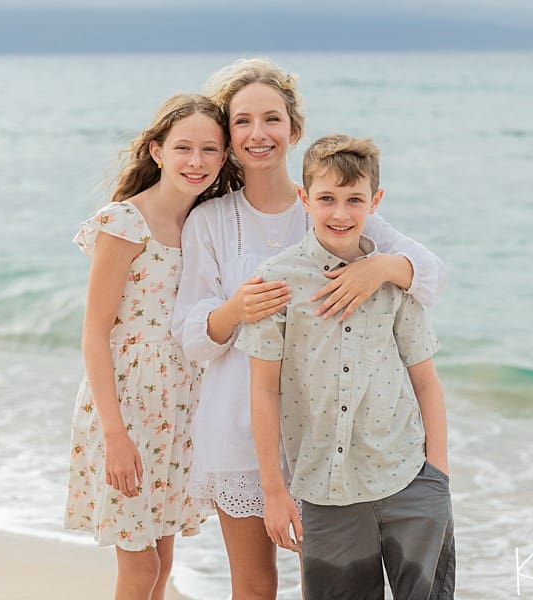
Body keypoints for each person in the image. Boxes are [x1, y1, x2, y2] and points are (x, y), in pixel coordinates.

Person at [172, 58, 448, 598]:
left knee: (326, 583)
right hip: (240, 427)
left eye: (271, 118)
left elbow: (430, 276)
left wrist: (381, 266)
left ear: (293, 130)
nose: (258, 133)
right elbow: (190, 335)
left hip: (331, 440)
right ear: (228, 135)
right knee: (254, 585)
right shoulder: (208, 221)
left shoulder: (326, 205)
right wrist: (237, 307)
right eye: (242, 121)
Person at [237, 134, 455, 599]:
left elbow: (426, 382)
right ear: (304, 199)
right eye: (327, 199)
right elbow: (262, 392)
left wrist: (438, 474)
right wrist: (274, 493)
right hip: (325, 492)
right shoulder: (278, 281)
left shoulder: (395, 279)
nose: (340, 213)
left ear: (374, 201)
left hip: (409, 482)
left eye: (355, 199)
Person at [64, 93, 242, 600]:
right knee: (139, 568)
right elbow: (95, 332)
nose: (197, 161)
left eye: (211, 150)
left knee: (162, 562)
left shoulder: (204, 224)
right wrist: (114, 433)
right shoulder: (124, 223)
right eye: (184, 147)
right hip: (126, 409)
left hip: (181, 406)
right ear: (157, 150)